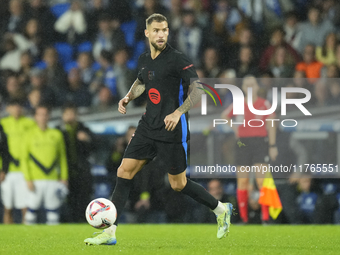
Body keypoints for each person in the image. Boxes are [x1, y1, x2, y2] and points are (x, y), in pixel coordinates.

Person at [84, 13, 233, 245]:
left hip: (172, 129)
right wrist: (128, 96)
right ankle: (109, 232)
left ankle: (221, 209)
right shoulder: (144, 59)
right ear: (147, 33)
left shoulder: (177, 59)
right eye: (156, 30)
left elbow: (198, 90)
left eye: (164, 30)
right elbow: (142, 81)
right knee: (123, 172)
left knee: (178, 184)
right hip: (147, 126)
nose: (161, 34)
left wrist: (177, 112)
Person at [222, 76, 278, 224]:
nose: (250, 87)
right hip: (243, 143)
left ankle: (265, 218)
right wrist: (234, 128)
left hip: (260, 142)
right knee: (243, 182)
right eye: (247, 85)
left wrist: (272, 145)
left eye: (252, 84)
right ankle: (244, 219)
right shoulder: (238, 104)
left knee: (261, 181)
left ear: (257, 86)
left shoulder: (264, 103)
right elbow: (224, 116)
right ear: (244, 88)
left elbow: (272, 123)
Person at [22, 104, 68, 225]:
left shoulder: (56, 134)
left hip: (52, 179)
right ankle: (28, 240)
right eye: (40, 114)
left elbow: (62, 158)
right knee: (31, 212)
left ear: (49, 116)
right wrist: (28, 179)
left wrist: (64, 177)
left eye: (45, 114)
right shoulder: (28, 135)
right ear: (35, 117)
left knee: (53, 213)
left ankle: (53, 241)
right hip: (35, 179)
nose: (43, 117)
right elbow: (24, 159)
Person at [57, 102, 94, 222]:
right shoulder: (57, 132)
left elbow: (97, 145)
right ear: (62, 116)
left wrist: (87, 139)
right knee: (66, 202)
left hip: (82, 172)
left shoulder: (83, 129)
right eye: (67, 114)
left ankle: (82, 224)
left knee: (83, 201)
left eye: (72, 113)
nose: (70, 116)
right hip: (64, 172)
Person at [0, 99, 36, 224]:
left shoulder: (30, 123)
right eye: (13, 106)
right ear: (8, 108)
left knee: (24, 205)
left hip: (23, 170)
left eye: (19, 106)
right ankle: (8, 237)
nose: (16, 109)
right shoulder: (3, 123)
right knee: (7, 207)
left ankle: (26, 236)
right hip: (7, 170)